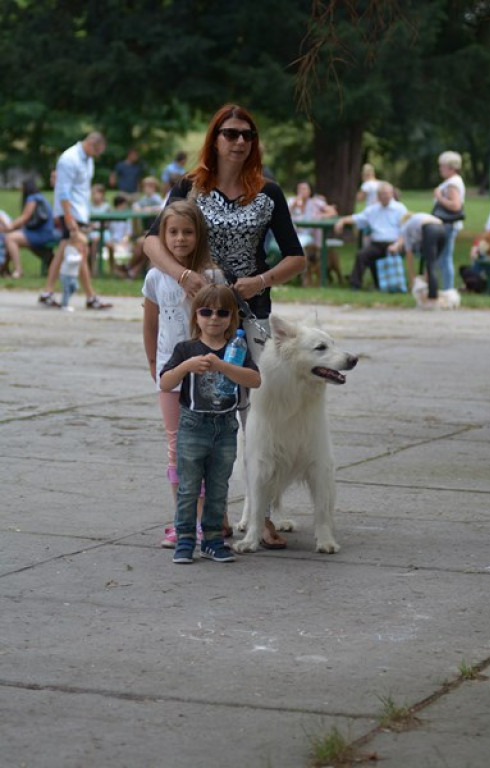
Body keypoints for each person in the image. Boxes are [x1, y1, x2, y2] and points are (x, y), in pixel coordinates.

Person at [144, 103, 306, 548]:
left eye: (248, 135)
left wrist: (262, 279)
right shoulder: (190, 187)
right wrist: (182, 276)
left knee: (258, 421)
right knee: (197, 417)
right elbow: (152, 239)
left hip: (250, 316)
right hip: (202, 317)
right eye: (231, 133)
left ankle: (261, 516)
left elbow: (296, 256)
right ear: (214, 138)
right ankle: (194, 517)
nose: (239, 141)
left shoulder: (267, 192)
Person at [142, 200, 227, 548]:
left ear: (199, 235)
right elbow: (150, 324)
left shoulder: (214, 277)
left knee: (207, 448)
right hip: (171, 375)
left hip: (206, 376)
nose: (179, 239)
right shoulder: (155, 277)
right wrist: (153, 364)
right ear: (163, 235)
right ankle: (182, 520)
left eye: (187, 232)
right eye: (172, 232)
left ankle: (209, 521)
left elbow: (225, 323)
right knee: (177, 447)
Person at [160, 284, 261, 564]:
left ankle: (213, 539)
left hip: (225, 428)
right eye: (206, 312)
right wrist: (186, 367)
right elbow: (165, 381)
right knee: (189, 486)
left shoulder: (237, 349)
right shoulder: (186, 349)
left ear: (232, 318)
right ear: (196, 317)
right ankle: (185, 539)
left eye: (222, 312)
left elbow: (255, 380)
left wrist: (225, 366)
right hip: (193, 427)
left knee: (218, 487)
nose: (214, 318)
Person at [38, 132, 112, 310]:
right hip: (69, 212)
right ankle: (90, 297)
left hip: (79, 211)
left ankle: (47, 292)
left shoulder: (88, 160)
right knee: (80, 251)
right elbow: (63, 191)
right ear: (91, 144)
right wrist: (68, 217)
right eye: (98, 151)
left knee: (66, 251)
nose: (97, 155)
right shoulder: (69, 159)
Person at [334, 181, 407, 289]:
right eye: (382, 194)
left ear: (391, 194)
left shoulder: (400, 208)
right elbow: (358, 218)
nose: (385, 196)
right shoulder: (373, 209)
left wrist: (397, 245)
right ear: (378, 196)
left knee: (385, 256)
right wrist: (342, 220)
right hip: (377, 243)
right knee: (362, 255)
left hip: (395, 242)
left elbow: (405, 230)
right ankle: (355, 285)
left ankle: (390, 285)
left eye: (387, 193)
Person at [0, 178, 58, 279]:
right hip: (46, 231)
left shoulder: (32, 198)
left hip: (42, 233)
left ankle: (18, 270)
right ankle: (52, 262)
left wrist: (10, 227)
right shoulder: (40, 197)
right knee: (24, 242)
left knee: (10, 238)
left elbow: (25, 217)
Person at [388, 212, 446, 303]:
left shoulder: (405, 227)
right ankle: (431, 289)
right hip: (442, 229)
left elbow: (409, 253)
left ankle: (432, 298)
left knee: (430, 266)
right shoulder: (417, 219)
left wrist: (412, 277)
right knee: (432, 264)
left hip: (430, 228)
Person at [433, 151, 466, 290]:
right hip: (446, 225)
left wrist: (439, 197)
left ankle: (448, 289)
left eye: (443, 166)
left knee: (445, 258)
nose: (440, 168)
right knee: (442, 258)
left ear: (452, 168)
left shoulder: (453, 183)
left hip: (448, 225)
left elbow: (456, 206)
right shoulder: (452, 182)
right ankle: (446, 289)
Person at [59, 230, 87, 311]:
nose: (82, 247)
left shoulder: (77, 252)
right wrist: (80, 258)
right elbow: (70, 260)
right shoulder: (69, 249)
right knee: (66, 289)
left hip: (73, 274)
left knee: (75, 287)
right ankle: (65, 304)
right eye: (82, 245)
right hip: (66, 274)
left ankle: (65, 299)